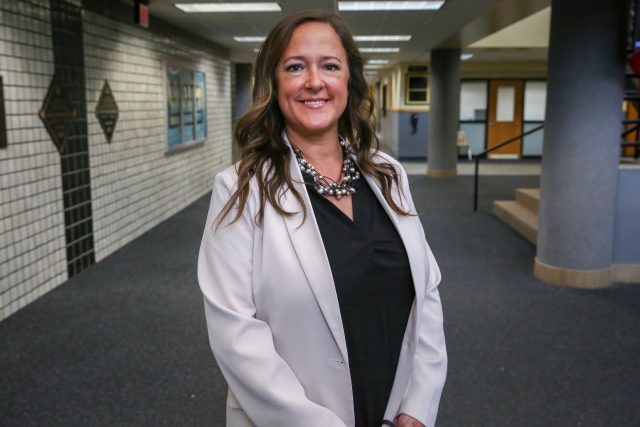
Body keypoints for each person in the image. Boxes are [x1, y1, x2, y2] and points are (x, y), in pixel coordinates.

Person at [197, 11, 447, 427]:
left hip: (394, 409)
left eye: (330, 66)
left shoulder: (388, 174)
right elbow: (234, 333)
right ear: (274, 82)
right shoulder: (241, 189)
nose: (315, 81)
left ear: (349, 80)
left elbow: (427, 291)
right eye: (296, 67)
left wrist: (417, 406)